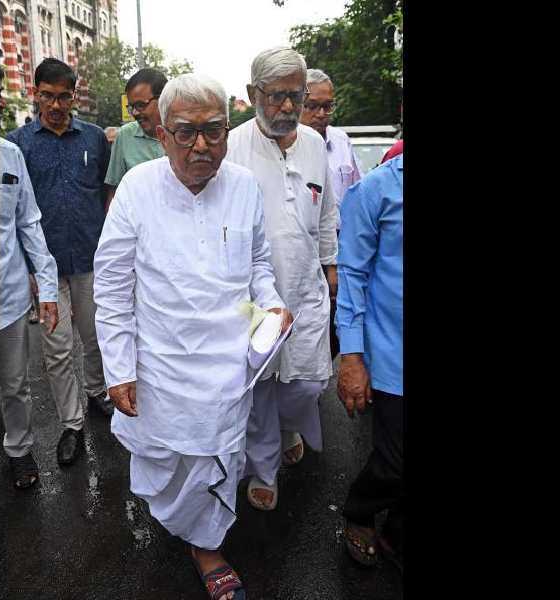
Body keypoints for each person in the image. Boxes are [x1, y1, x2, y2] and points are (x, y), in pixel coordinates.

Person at [94, 73, 290, 600]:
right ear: (162, 135)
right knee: (168, 465)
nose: (201, 145)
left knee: (217, 459)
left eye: (214, 131)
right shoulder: (138, 187)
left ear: (230, 130)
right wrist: (120, 369)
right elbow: (112, 286)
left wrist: (270, 305)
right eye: (185, 132)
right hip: (160, 364)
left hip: (228, 363)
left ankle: (206, 546)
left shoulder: (244, 185)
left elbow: (257, 264)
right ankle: (185, 525)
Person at [225, 47, 337, 512]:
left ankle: (290, 427)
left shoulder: (314, 144)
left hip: (307, 288)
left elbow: (327, 213)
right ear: (254, 95)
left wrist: (331, 268)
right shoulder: (232, 147)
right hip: (252, 296)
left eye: (296, 95)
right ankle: (265, 467)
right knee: (260, 386)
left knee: (308, 383)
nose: (288, 107)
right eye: (276, 97)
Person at [5, 58, 114, 467]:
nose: (55, 104)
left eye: (63, 96)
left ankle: (97, 391)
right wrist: (30, 271)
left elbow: (107, 190)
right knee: (56, 347)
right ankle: (72, 423)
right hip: (43, 269)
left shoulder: (93, 140)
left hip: (89, 256)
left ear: (74, 95)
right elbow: (17, 215)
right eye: (47, 95)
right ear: (35, 94)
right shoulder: (19, 145)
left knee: (95, 335)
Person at [335, 154, 403, 572]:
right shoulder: (376, 189)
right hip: (393, 354)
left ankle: (396, 532)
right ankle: (360, 511)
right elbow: (352, 274)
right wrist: (352, 357)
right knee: (396, 461)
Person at [0, 71, 60, 489]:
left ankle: (19, 450)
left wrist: (49, 287)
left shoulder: (10, 156)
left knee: (16, 384)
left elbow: (29, 223)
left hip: (9, 298)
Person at [300, 68, 365, 359]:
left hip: (341, 244)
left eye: (327, 106)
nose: (321, 114)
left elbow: (357, 198)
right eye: (312, 106)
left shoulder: (340, 141)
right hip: (302, 246)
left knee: (335, 322)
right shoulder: (288, 145)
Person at [104, 68, 168, 210]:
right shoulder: (125, 136)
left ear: (164, 98)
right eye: (131, 107)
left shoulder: (184, 133)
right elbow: (114, 193)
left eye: (140, 105)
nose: (135, 113)